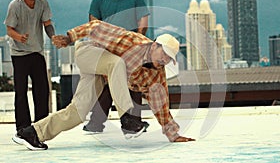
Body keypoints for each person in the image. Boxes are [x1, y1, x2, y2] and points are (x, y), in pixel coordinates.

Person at [15, 20, 195, 150]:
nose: (164, 60)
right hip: (89, 52)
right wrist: (70, 37)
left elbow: (160, 104)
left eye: (169, 59)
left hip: (101, 72)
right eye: (163, 54)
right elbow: (96, 27)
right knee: (117, 63)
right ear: (154, 45)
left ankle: (31, 133)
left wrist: (173, 134)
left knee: (77, 113)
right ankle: (128, 120)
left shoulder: (157, 75)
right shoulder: (133, 42)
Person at [83, 0, 150, 133]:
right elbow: (93, 25)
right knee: (109, 84)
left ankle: (133, 121)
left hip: (131, 46)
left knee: (134, 83)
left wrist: (138, 40)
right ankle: (97, 123)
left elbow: (143, 21)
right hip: (109, 47)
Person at [4, 0, 55, 144]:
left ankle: (40, 128)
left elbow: (47, 24)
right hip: (19, 54)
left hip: (37, 51)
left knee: (42, 90)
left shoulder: (42, 2)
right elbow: (9, 30)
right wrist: (19, 37)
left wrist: (52, 37)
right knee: (21, 91)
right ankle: (22, 129)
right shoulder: (15, 5)